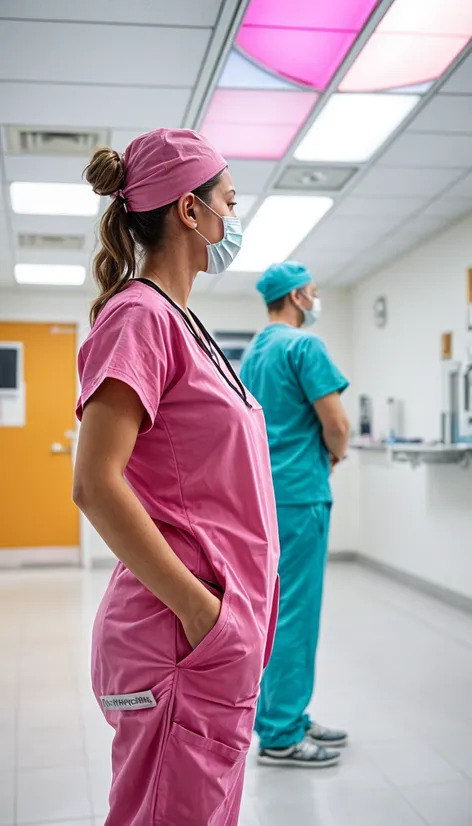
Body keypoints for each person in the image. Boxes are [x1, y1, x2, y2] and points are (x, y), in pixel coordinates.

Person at [73, 128, 279, 826]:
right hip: (181, 632)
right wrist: (200, 612)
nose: (233, 218)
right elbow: (95, 484)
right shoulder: (139, 317)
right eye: (228, 201)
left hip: (210, 632)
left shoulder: (181, 322)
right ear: (189, 212)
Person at [240, 261, 350, 768]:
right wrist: (334, 455)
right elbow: (337, 424)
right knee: (297, 616)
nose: (315, 298)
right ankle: (282, 734)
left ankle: (287, 715)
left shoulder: (253, 353)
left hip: (263, 499)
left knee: (273, 613)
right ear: (298, 296)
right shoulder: (305, 346)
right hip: (302, 497)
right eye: (312, 290)